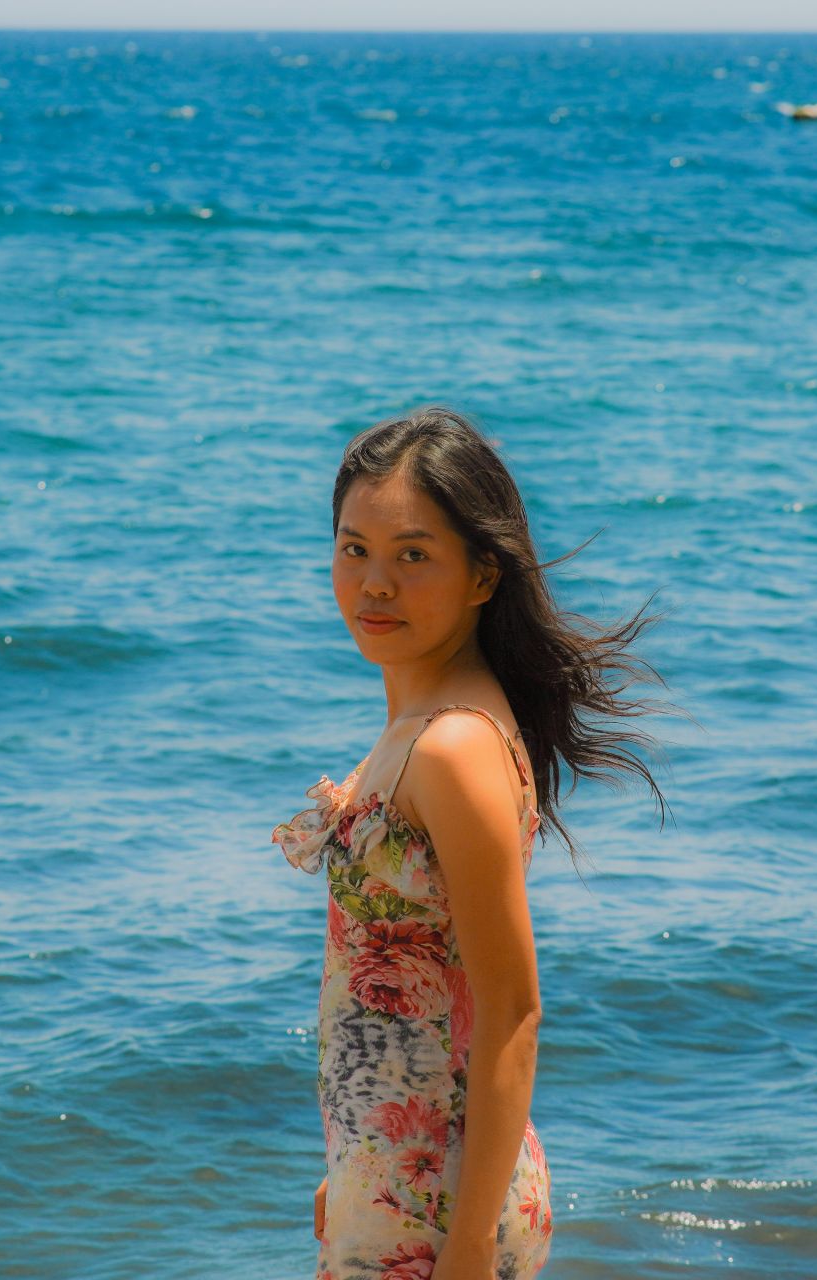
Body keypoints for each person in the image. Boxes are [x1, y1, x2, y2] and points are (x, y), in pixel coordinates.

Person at [273, 405, 675, 1280]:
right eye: (354, 549)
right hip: (401, 1181)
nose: (375, 584)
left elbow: (513, 1010)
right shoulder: (423, 719)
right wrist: (354, 1162)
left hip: (444, 1209)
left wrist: (465, 1247)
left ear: (483, 575)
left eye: (413, 556)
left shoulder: (452, 746)